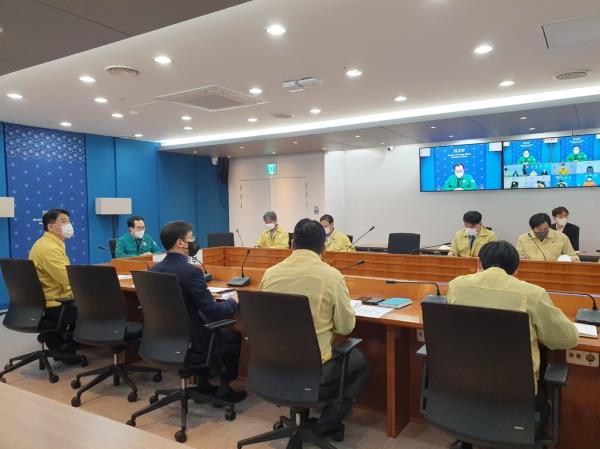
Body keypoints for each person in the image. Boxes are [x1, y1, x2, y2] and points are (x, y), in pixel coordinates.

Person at [447, 241, 578, 449]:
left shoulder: (456, 285)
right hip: (518, 395)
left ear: (479, 263)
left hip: (465, 385)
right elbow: (565, 339)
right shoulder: (532, 293)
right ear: (517, 268)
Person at [259, 219, 371, 434]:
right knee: (361, 361)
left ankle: (298, 415)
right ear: (324, 248)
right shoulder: (331, 276)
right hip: (316, 369)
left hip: (274, 364)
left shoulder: (270, 273)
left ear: (292, 244)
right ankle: (327, 423)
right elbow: (346, 327)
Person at [150, 221, 246, 403]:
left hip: (165, 338)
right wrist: (232, 302)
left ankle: (203, 383)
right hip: (193, 341)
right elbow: (212, 310)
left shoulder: (154, 270)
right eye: (191, 237)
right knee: (233, 336)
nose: (194, 241)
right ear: (180, 243)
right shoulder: (191, 272)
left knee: (201, 327)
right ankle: (225, 390)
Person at [28, 208, 77, 355]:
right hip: (55, 303)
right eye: (63, 222)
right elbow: (66, 280)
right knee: (95, 304)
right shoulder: (49, 248)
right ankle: (63, 347)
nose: (68, 225)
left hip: (48, 300)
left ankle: (65, 342)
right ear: (50, 227)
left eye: (69, 221)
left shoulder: (49, 243)